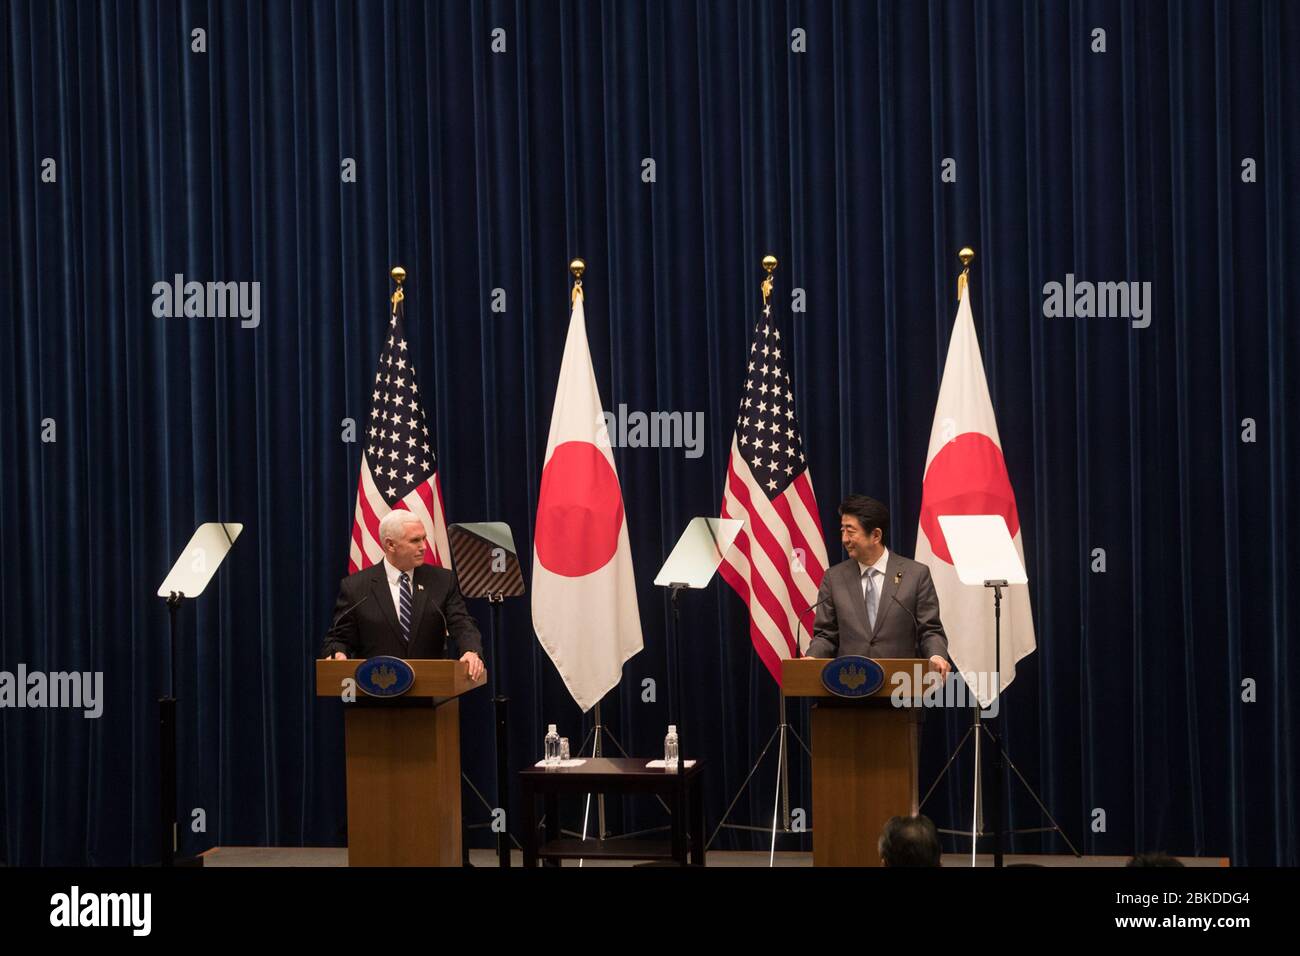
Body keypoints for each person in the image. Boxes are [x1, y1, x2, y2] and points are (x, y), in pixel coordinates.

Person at [320, 510, 485, 681]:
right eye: (415, 540)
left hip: (432, 690)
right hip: (375, 690)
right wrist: (338, 652)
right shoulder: (356, 587)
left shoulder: (442, 581)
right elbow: (338, 637)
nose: (424, 546)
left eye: (424, 538)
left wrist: (470, 651)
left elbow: (462, 623)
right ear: (390, 545)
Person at [806, 494, 951, 678]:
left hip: (901, 688)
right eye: (842, 530)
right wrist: (812, 657)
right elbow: (826, 634)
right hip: (848, 688)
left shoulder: (916, 575)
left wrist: (935, 656)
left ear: (875, 535)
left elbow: (930, 630)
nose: (844, 539)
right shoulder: (834, 578)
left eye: (850, 531)